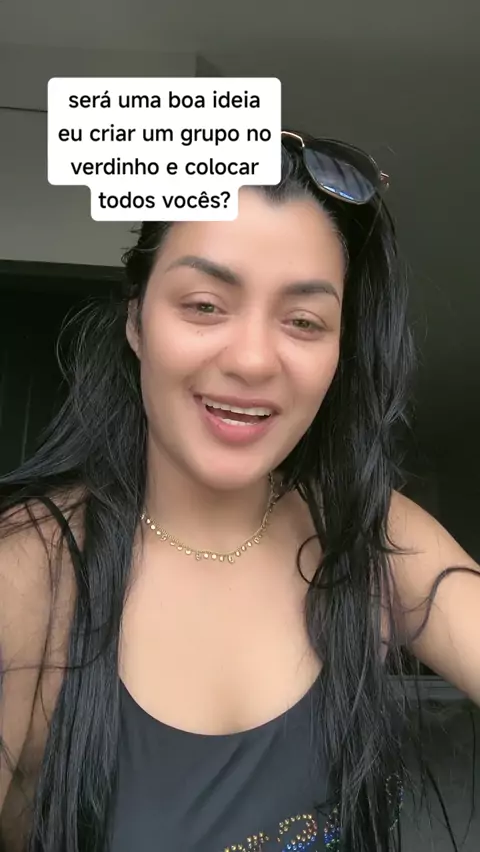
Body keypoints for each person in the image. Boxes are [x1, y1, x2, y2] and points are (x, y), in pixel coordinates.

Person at [0, 130, 478, 852]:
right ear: (137, 321)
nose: (254, 360)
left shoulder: (368, 532)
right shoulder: (28, 574)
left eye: (304, 321)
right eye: (204, 305)